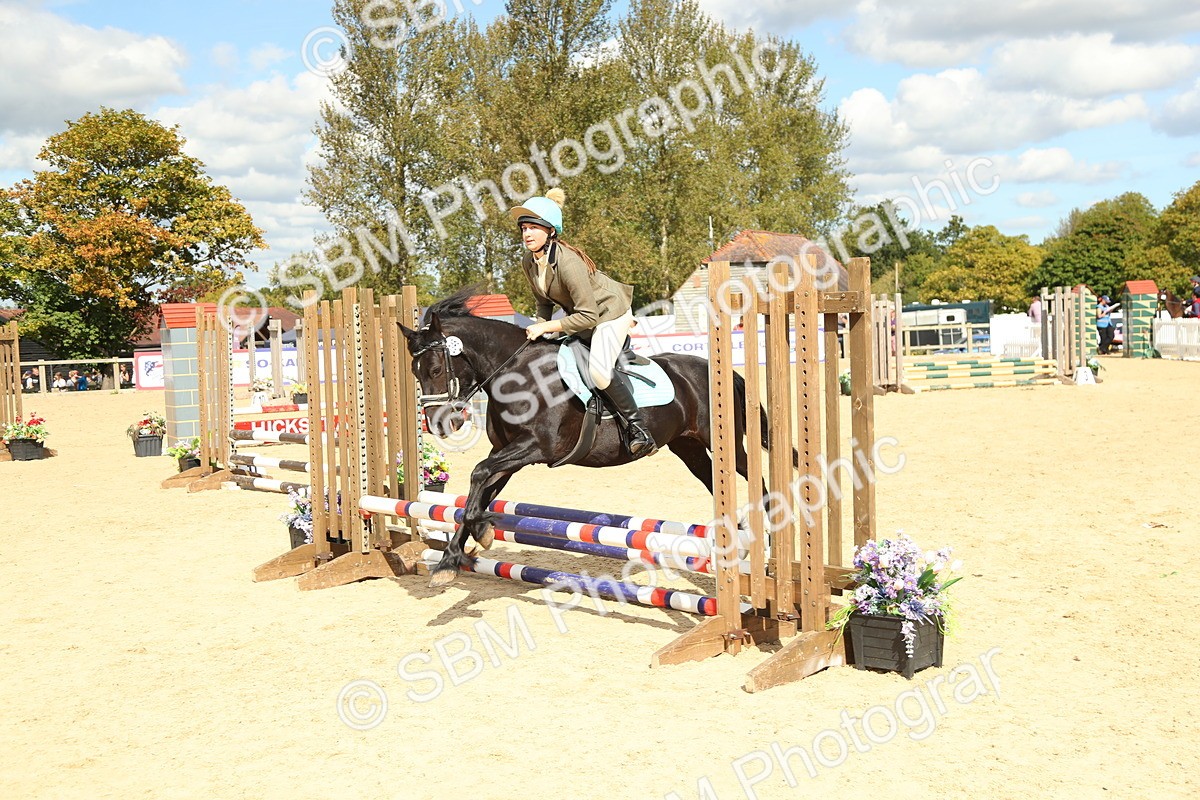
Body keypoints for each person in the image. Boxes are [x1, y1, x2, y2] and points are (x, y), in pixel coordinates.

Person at [509, 187, 657, 460]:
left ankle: (639, 431)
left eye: (533, 228)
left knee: (599, 372)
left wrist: (545, 327)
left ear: (550, 231)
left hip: (609, 314)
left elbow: (589, 315)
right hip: (584, 317)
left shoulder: (569, 262)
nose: (527, 234)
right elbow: (544, 303)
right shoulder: (529, 261)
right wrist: (538, 330)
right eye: (524, 228)